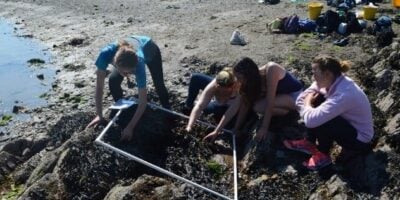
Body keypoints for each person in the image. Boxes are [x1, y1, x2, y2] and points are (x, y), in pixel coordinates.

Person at [283, 55, 374, 170]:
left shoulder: (344, 93)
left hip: (359, 140)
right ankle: (310, 143)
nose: (313, 77)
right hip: (348, 126)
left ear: (327, 74)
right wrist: (308, 104)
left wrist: (307, 103)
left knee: (323, 117)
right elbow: (300, 99)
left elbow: (310, 121)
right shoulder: (332, 80)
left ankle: (323, 154)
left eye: (315, 73)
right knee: (319, 100)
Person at [86, 35, 170, 141]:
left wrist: (130, 127)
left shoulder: (139, 64)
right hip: (126, 54)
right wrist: (99, 115)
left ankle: (167, 108)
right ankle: (122, 109)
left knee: (159, 84)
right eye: (126, 72)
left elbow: (143, 102)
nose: (129, 75)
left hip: (150, 49)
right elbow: (99, 88)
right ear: (115, 63)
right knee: (113, 80)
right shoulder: (105, 54)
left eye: (131, 72)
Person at [203, 57, 303, 142]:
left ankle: (291, 113)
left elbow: (270, 101)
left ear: (248, 75)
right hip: (281, 98)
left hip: (296, 96)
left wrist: (264, 128)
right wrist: (220, 130)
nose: (237, 81)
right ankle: (285, 112)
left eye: (239, 78)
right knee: (256, 107)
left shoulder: (271, 69)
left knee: (260, 106)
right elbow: (238, 107)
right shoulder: (247, 84)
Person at [184, 68, 240, 132]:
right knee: (195, 78)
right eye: (219, 89)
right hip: (218, 103)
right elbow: (200, 106)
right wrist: (189, 126)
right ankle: (188, 108)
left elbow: (230, 113)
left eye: (225, 91)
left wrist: (216, 131)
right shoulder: (214, 85)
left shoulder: (239, 91)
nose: (221, 92)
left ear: (232, 85)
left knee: (209, 110)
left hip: (227, 109)